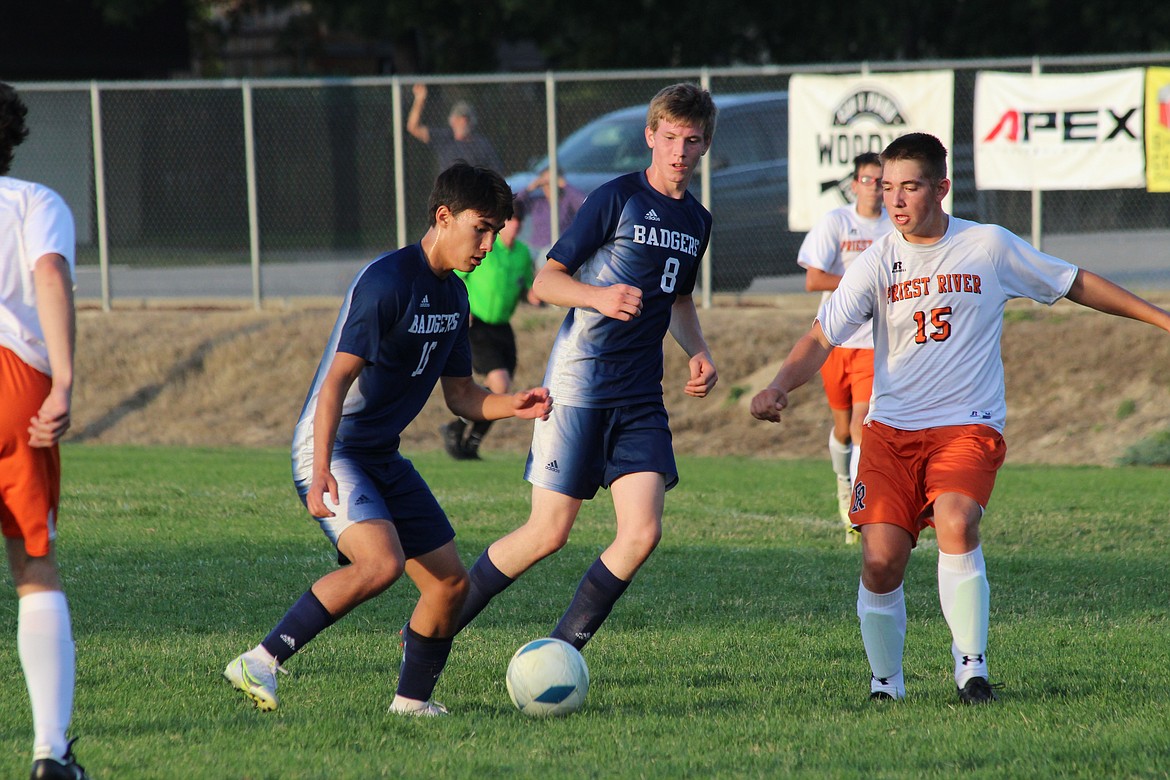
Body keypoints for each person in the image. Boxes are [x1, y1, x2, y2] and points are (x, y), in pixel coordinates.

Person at [750, 132, 1170, 705]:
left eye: (911, 186)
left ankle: (971, 670)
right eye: (889, 187)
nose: (896, 200)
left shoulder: (987, 246)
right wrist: (777, 385)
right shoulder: (875, 263)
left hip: (966, 426)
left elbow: (1073, 283)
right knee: (879, 561)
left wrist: (1161, 317)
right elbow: (820, 335)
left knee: (956, 519)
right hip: (890, 433)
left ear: (942, 187)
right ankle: (886, 686)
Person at [223, 163, 552, 717]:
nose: (490, 244)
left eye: (497, 231)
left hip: (380, 455)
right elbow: (333, 384)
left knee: (449, 584)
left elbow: (463, 397)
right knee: (380, 563)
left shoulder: (454, 300)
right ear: (443, 217)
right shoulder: (388, 282)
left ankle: (411, 704)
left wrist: (512, 405)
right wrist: (321, 467)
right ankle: (260, 661)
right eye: (481, 228)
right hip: (333, 447)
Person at [453, 83, 719, 652]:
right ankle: (433, 628)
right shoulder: (615, 198)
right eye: (669, 137)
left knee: (642, 532)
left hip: (641, 397)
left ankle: (560, 652)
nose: (678, 151)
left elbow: (677, 299)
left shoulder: (697, 221)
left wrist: (696, 351)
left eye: (691, 141)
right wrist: (599, 298)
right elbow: (547, 281)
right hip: (579, 387)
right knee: (547, 533)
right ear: (651, 137)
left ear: (704, 147)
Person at [0, 83, 90, 780]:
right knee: (33, 566)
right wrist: (62, 378)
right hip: (14, 385)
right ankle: (49, 752)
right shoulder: (32, 201)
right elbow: (50, 273)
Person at [795, 152, 892, 543]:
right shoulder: (837, 222)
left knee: (861, 423)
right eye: (867, 180)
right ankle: (842, 478)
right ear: (854, 184)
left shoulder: (895, 226)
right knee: (842, 430)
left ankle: (857, 510)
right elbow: (813, 279)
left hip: (873, 342)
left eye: (881, 181)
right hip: (834, 339)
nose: (874, 188)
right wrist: (859, 282)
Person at [442, 200, 539, 460]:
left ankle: (465, 436)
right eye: (510, 221)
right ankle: (464, 433)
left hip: (503, 329)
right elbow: (457, 277)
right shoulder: (486, 249)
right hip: (478, 325)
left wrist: (535, 293)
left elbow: (527, 287)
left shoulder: (522, 254)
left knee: (500, 389)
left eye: (520, 220)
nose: (515, 226)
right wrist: (463, 306)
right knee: (499, 383)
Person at [406, 83, 503, 174]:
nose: (463, 122)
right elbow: (413, 127)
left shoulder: (482, 145)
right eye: (459, 118)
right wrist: (420, 99)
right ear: (452, 120)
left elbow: (497, 173)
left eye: (466, 119)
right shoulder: (444, 138)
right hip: (448, 190)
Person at [514, 167, 587, 268]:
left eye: (552, 183)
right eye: (545, 183)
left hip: (557, 247)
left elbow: (584, 203)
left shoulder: (567, 201)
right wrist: (530, 188)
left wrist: (565, 185)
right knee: (522, 257)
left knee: (545, 256)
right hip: (535, 247)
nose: (549, 187)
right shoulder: (538, 202)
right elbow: (514, 204)